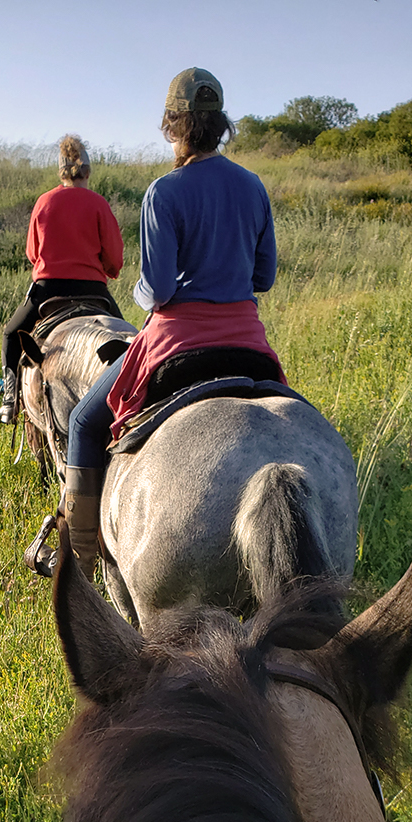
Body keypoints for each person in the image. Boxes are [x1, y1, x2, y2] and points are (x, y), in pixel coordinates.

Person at [64, 68, 285, 579]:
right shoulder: (253, 187)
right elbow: (265, 276)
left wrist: (140, 292)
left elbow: (158, 290)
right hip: (249, 341)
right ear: (221, 126)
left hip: (177, 339)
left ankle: (77, 559)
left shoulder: (164, 192)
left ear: (172, 126)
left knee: (83, 422)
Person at [0, 135, 124, 426]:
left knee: (12, 334)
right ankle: (131, 398)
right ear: (88, 170)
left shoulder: (44, 202)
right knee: (127, 340)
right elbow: (114, 260)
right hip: (93, 290)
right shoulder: (99, 204)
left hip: (48, 290)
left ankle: (10, 401)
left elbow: (32, 253)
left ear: (61, 172)